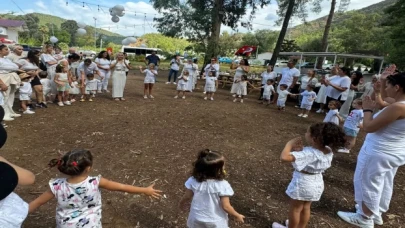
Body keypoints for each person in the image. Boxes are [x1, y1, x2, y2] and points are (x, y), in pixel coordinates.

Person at [337, 66, 405, 227]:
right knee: (383, 181)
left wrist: (367, 110)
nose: (386, 87)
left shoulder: (399, 107)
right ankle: (376, 212)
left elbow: (369, 127)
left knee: (367, 181)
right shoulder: (399, 104)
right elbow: (382, 103)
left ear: (397, 87)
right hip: (394, 150)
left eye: (389, 85)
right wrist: (381, 83)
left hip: (379, 150)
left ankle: (364, 217)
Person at [28, 149, 162, 227]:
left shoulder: (57, 186)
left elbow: (38, 202)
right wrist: (145, 190)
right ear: (88, 168)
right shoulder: (95, 182)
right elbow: (122, 187)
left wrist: (16, 215)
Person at [272, 123, 346, 228]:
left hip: (303, 183)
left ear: (314, 139)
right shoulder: (328, 151)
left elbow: (284, 158)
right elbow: (311, 158)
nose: (305, 134)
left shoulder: (309, 153)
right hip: (316, 183)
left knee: (296, 209)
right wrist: (300, 151)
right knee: (306, 207)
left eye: (308, 132)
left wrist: (289, 144)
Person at [179, 149, 245, 227]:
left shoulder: (193, 181)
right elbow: (226, 206)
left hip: (196, 217)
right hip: (215, 221)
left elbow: (187, 197)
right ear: (218, 171)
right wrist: (237, 215)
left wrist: (181, 204)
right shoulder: (222, 185)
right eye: (223, 166)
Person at [0, 44, 22, 121]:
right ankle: (5, 114)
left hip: (10, 77)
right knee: (5, 96)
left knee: (11, 94)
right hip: (3, 77)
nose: (8, 51)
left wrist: (13, 67)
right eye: (6, 49)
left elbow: (15, 67)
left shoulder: (6, 59)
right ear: (0, 51)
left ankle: (10, 111)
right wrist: (1, 83)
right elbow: (12, 67)